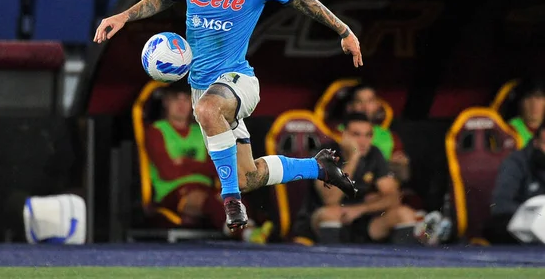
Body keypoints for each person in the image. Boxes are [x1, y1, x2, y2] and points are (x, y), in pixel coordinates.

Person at [94, 0, 362, 231]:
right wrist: (124, 15)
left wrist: (344, 31)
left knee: (210, 112)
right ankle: (318, 168)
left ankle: (231, 200)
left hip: (238, 80)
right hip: (202, 88)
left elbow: (303, 0)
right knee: (248, 176)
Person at [145, 82, 272, 242]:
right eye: (176, 99)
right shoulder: (157, 131)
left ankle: (253, 228)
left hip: (206, 187)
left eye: (186, 99)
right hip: (172, 192)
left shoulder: (201, 131)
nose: (181, 104)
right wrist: (199, 167)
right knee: (207, 200)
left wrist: (183, 162)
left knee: (232, 195)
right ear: (166, 102)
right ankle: (246, 233)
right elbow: (167, 172)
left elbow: (215, 168)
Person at [292, 113, 443, 244]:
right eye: (356, 134)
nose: (363, 141)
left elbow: (393, 197)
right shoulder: (326, 154)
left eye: (368, 135)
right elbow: (330, 199)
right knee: (330, 213)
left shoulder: (374, 154)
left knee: (404, 213)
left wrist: (359, 209)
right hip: (325, 218)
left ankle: (401, 268)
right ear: (343, 135)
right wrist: (354, 158)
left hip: (361, 217)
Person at [485, 122, 545, 244]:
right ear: (536, 142)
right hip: (520, 229)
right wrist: (533, 215)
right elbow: (500, 204)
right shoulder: (516, 162)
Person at [344, 84, 410, 183]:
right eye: (359, 101)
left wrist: (401, 164)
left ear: (378, 105)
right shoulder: (335, 133)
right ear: (349, 107)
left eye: (370, 101)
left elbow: (404, 176)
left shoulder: (391, 136)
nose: (365, 107)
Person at [508, 79, 545, 148]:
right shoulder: (510, 130)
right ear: (520, 102)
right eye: (528, 98)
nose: (534, 104)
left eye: (539, 97)